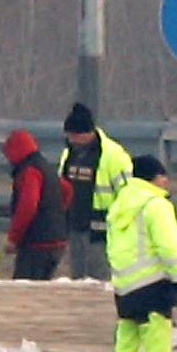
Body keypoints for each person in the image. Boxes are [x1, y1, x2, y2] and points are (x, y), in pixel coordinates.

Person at [104, 153, 177, 352]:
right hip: (153, 288)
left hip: (125, 288)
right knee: (157, 348)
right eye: (164, 177)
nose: (167, 183)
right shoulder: (156, 205)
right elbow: (169, 248)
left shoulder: (119, 205)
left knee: (126, 347)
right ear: (155, 178)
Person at [61, 103, 132, 282]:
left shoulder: (113, 155)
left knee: (101, 281)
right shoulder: (69, 153)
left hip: (103, 233)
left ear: (85, 133)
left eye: (73, 135)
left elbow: (128, 196)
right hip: (76, 227)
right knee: (78, 280)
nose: (71, 140)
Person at [3, 128, 66, 282]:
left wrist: (13, 239)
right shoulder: (45, 166)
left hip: (37, 244)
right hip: (57, 242)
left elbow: (27, 207)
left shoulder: (29, 171)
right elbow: (67, 190)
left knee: (22, 291)